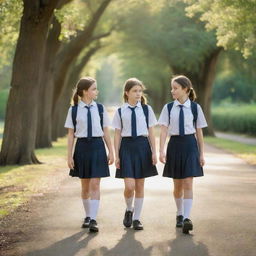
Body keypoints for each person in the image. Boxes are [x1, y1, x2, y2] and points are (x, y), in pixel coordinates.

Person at [158, 75, 207, 234]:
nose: (172, 91)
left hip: (190, 145)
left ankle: (186, 217)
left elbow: (199, 132)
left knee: (188, 183)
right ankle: (179, 213)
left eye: (175, 88)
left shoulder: (195, 108)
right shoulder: (168, 108)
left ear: (185, 89)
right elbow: (164, 130)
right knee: (177, 185)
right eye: (172, 88)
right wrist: (161, 150)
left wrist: (201, 154)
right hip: (175, 146)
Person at [64, 77, 114, 233]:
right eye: (93, 88)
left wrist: (111, 151)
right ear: (85, 91)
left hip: (98, 147)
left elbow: (106, 131)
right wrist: (69, 156)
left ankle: (93, 219)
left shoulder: (100, 108)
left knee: (95, 184)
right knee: (85, 186)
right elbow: (71, 134)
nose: (96, 91)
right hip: (82, 148)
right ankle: (87, 215)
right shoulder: (73, 110)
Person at [112, 78, 158, 230]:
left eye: (140, 91)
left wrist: (154, 152)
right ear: (127, 93)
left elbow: (151, 132)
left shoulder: (146, 110)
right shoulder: (120, 111)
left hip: (142, 146)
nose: (138, 94)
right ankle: (129, 209)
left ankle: (137, 218)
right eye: (135, 91)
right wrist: (117, 154)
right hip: (126, 147)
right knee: (129, 186)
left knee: (139, 185)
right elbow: (117, 134)